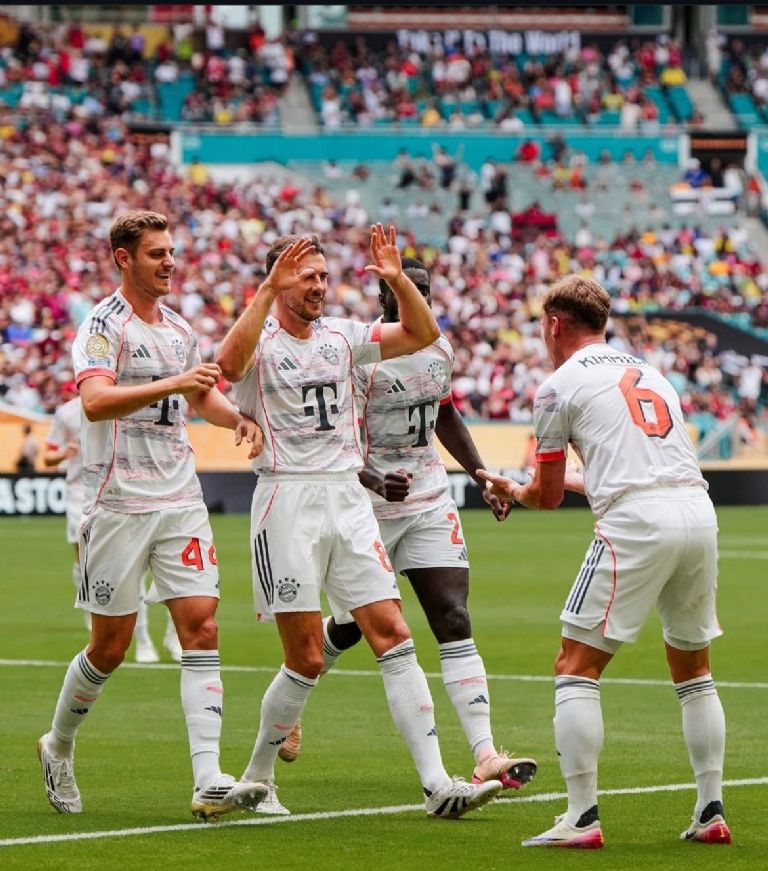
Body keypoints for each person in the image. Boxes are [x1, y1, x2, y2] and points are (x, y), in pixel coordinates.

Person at [215, 225, 503, 818]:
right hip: (285, 501)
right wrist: (268, 289)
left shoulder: (344, 338)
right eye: (307, 276)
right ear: (279, 282)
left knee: (394, 636)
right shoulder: (260, 342)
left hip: (348, 501)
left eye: (324, 275)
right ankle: (259, 778)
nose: (320, 285)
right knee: (306, 658)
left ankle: (437, 783)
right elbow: (225, 363)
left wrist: (397, 277)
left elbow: (424, 332)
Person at [478, 275, 730, 848]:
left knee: (574, 665)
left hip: (636, 523)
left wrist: (513, 492)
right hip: (697, 511)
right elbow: (615, 470)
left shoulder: (557, 385)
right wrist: (529, 485)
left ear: (554, 324)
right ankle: (711, 812)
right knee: (693, 670)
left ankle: (582, 818)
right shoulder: (650, 373)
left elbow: (542, 497)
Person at [37, 210, 268, 821]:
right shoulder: (100, 326)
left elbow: (200, 394)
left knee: (202, 626)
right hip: (116, 504)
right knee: (108, 648)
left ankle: (208, 777)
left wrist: (234, 417)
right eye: (156, 254)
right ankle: (58, 743)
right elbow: (93, 402)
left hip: (180, 499)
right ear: (123, 259)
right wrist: (174, 382)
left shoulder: (176, 327)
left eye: (171, 252)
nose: (169, 262)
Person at [279, 257, 538, 794]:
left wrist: (481, 473)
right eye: (403, 287)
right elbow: (332, 437)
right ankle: (294, 695)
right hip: (362, 505)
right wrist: (372, 479)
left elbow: (443, 412)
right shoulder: (360, 357)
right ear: (384, 296)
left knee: (453, 615)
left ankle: (486, 754)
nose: (414, 294)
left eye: (422, 287)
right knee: (350, 629)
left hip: (426, 499)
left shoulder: (439, 347)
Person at [43, 381, 183, 661]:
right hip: (80, 491)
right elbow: (48, 455)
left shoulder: (138, 400)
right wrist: (62, 454)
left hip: (135, 487)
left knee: (165, 565)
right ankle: (113, 622)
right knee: (88, 559)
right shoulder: (67, 414)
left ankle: (172, 634)